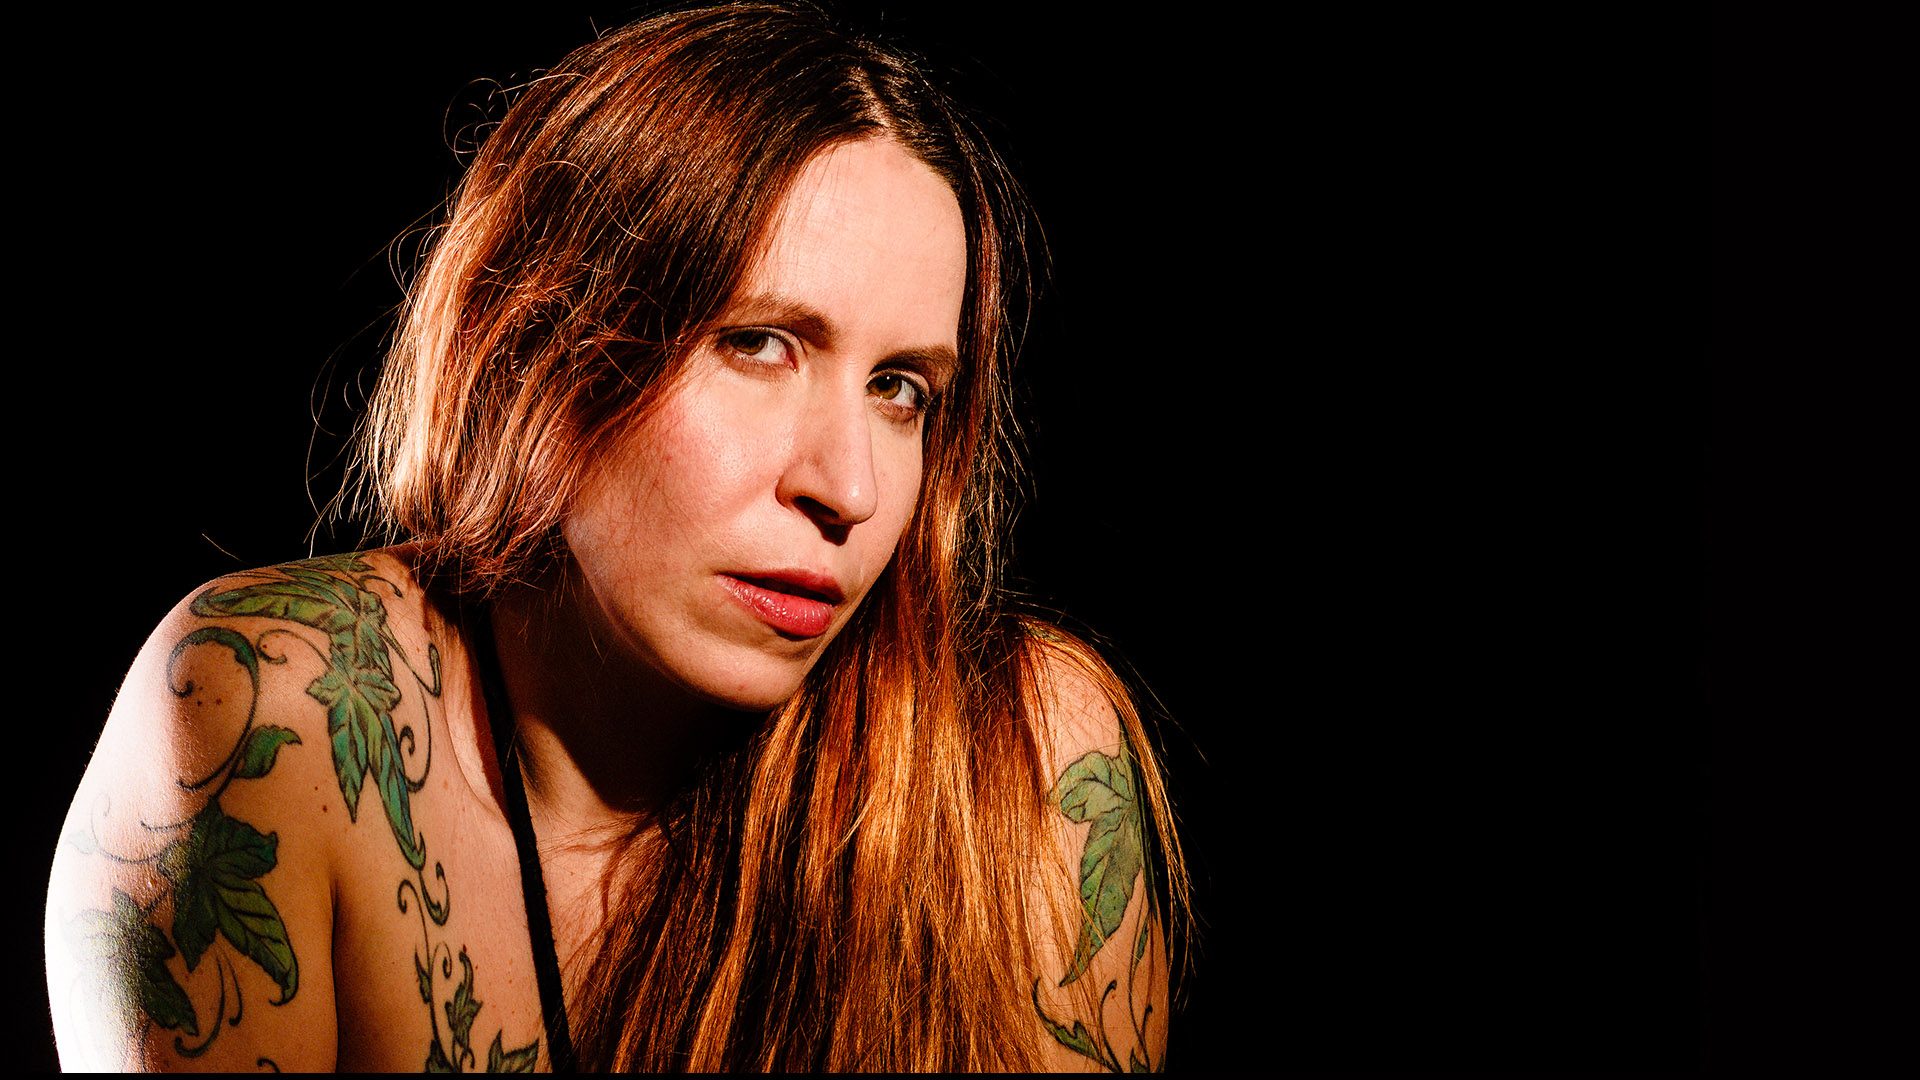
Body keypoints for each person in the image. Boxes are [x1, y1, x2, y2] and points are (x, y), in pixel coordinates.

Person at [45, 3, 1186, 1070]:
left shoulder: (1019, 766)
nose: (848, 488)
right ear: (537, 343)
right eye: (759, 344)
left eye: (901, 389)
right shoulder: (274, 711)